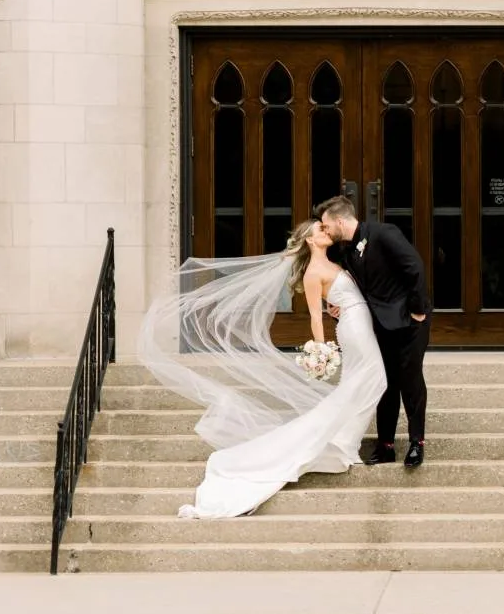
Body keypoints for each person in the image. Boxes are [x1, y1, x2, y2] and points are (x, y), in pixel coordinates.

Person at [137, 218, 387, 521]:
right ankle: (343, 444)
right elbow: (315, 317)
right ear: (309, 241)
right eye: (319, 230)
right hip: (353, 330)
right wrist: (321, 349)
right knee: (374, 380)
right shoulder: (311, 273)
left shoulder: (336, 259)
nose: (325, 231)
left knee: (365, 382)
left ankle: (344, 443)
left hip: (357, 322)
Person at [317, 192, 431, 467]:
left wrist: (417, 310)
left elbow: (414, 267)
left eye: (326, 225)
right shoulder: (344, 250)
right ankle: (386, 445)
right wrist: (337, 308)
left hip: (409, 321)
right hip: (378, 325)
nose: (325, 230)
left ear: (340, 220)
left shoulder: (383, 233)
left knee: (410, 380)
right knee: (385, 382)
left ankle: (417, 443)